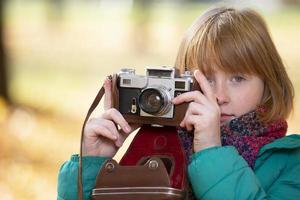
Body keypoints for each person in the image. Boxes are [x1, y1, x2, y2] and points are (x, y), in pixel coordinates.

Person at [57, 6, 300, 200]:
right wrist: (92, 166)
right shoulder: (155, 146)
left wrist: (211, 153)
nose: (219, 96)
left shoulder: (291, 161)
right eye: (205, 79)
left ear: (268, 83)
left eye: (238, 78)